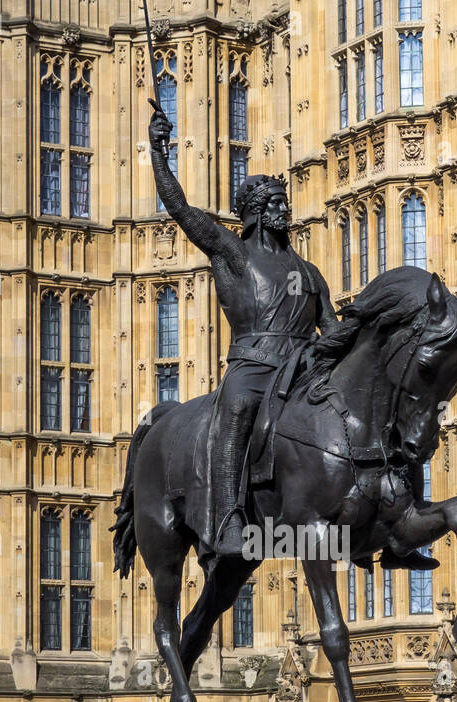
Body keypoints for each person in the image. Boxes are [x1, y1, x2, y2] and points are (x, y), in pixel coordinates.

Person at [147, 103, 436, 572]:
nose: (286, 210)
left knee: (386, 417)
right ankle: (228, 520)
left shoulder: (308, 271)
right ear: (258, 213)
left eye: (284, 202)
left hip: (303, 370)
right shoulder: (233, 254)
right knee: (236, 406)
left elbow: (332, 330)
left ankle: (399, 533)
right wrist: (159, 148)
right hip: (254, 367)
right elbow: (179, 207)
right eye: (277, 204)